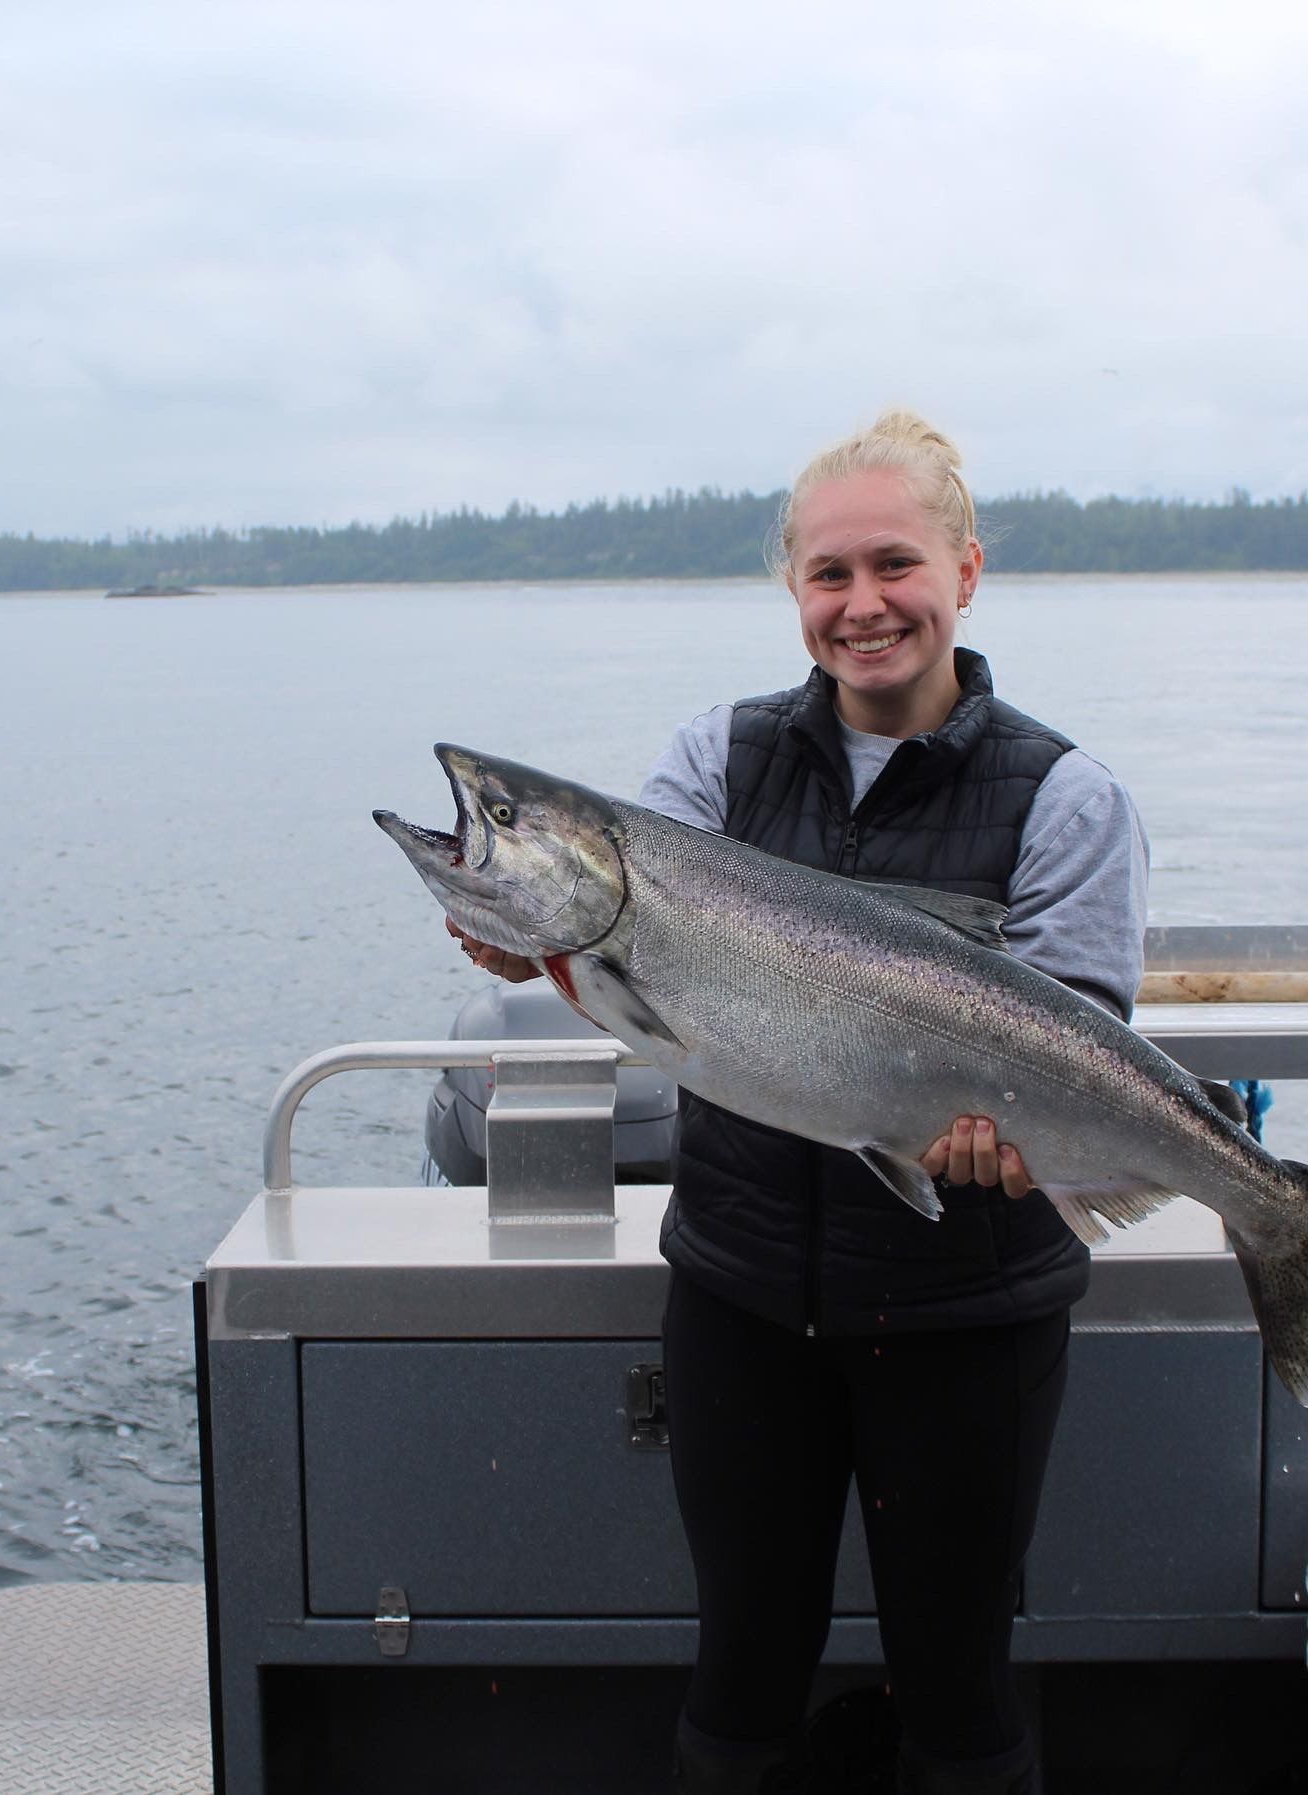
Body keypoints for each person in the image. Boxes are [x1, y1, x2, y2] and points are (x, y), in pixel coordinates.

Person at [449, 410, 1149, 1795]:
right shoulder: (713, 761)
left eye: (897, 564)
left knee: (958, 1682)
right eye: (829, 576)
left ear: (967, 571)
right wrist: (534, 937)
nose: (864, 604)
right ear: (794, 593)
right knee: (740, 1666)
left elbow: (1087, 1037)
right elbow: (643, 985)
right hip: (745, 1300)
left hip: (970, 1319)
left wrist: (1011, 1141)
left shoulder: (1069, 798)